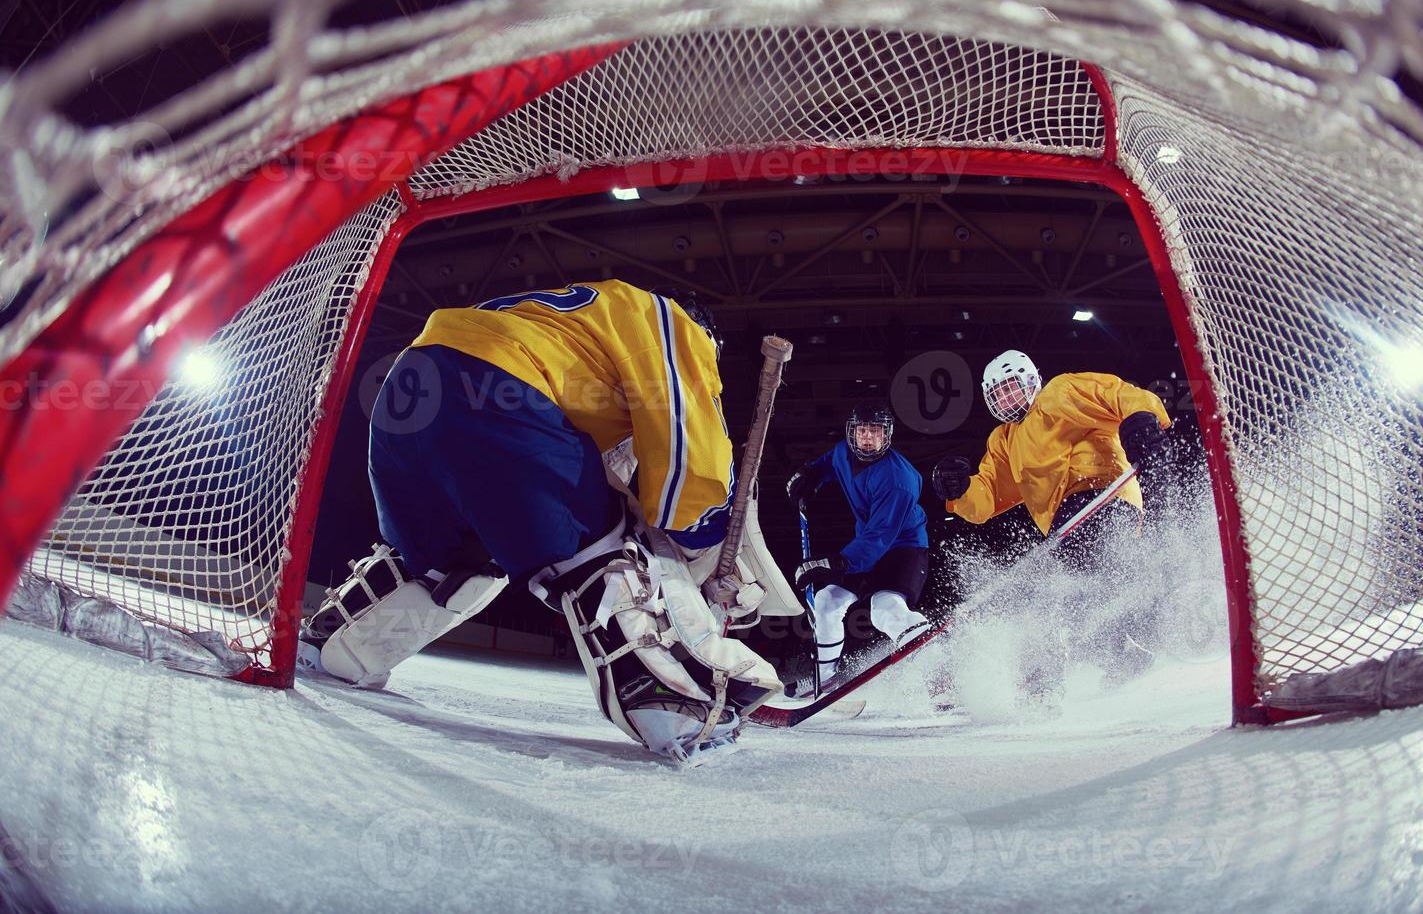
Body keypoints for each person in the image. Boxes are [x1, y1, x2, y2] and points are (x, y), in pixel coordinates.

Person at [298, 280, 785, 761]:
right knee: (605, 550)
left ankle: (333, 648)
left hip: (410, 391)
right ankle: (681, 709)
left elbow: (597, 472)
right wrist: (708, 546)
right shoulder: (673, 325)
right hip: (500, 392)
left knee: (453, 562)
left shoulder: (571, 324)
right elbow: (687, 456)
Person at [930, 349, 1173, 683]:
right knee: (1078, 596)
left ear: (1031, 381)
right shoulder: (1004, 440)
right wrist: (958, 491)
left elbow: (1120, 394)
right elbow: (986, 499)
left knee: (1069, 590)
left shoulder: (1061, 392)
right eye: (997, 393)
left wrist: (1141, 419)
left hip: (1103, 496)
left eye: (1011, 387)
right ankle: (1123, 654)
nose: (1005, 397)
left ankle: (1052, 674)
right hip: (1066, 524)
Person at [784, 402, 931, 692]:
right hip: (866, 549)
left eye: (875, 432)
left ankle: (936, 664)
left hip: (903, 550)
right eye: (862, 430)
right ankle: (825, 678)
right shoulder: (843, 452)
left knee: (884, 607)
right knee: (827, 602)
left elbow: (879, 537)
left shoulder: (898, 480)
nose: (867, 438)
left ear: (886, 435)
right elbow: (830, 463)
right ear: (851, 433)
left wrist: (834, 563)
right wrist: (812, 475)